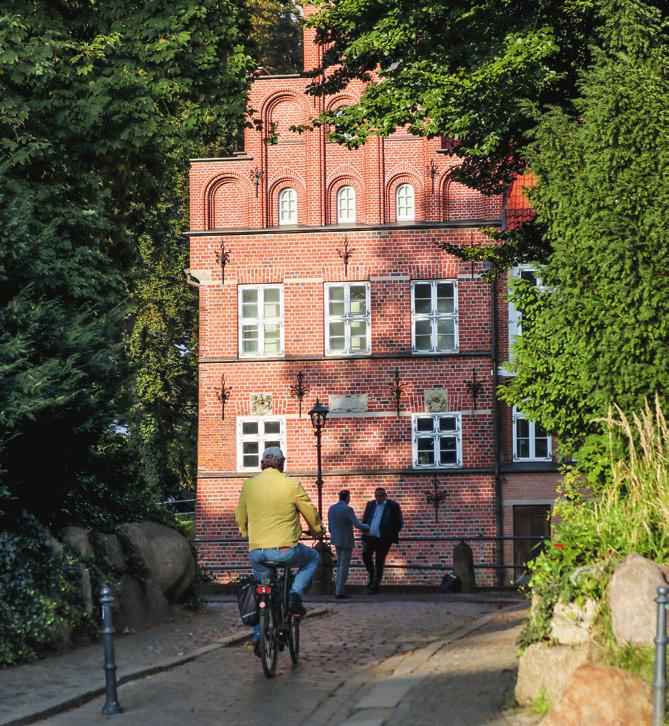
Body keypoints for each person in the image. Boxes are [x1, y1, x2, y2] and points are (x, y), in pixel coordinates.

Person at [235, 447, 323, 650]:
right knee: (313, 558)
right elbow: (309, 511)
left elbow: (241, 515)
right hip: (286, 550)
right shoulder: (291, 484)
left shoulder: (249, 485)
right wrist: (317, 531)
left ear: (262, 463)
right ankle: (295, 594)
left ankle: (258, 636)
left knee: (261, 590)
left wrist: (245, 534)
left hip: (258, 552)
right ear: (282, 463)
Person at [328, 490, 369, 599]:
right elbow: (357, 524)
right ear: (347, 497)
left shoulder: (331, 508)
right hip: (346, 540)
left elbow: (330, 527)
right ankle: (340, 591)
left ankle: (338, 589)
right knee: (343, 567)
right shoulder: (347, 509)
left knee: (339, 565)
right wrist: (369, 527)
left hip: (336, 539)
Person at [361, 487, 403, 594]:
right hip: (370, 536)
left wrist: (389, 534)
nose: (378, 498)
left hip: (383, 539)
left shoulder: (392, 505)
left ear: (385, 495)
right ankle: (372, 575)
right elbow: (366, 518)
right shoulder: (370, 504)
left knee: (379, 561)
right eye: (376, 496)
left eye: (380, 496)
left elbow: (399, 522)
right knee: (366, 556)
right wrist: (364, 529)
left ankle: (375, 585)